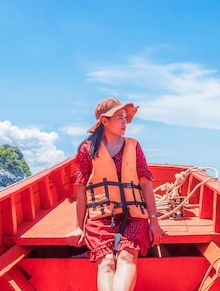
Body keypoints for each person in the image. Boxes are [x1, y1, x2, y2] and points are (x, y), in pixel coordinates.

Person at [65, 97, 167, 291]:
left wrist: (154, 221)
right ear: (104, 121)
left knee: (127, 256)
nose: (124, 122)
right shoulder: (88, 150)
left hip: (133, 216)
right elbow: (81, 189)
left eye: (125, 118)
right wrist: (79, 227)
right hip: (101, 219)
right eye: (119, 118)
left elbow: (145, 185)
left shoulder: (134, 146)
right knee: (107, 262)